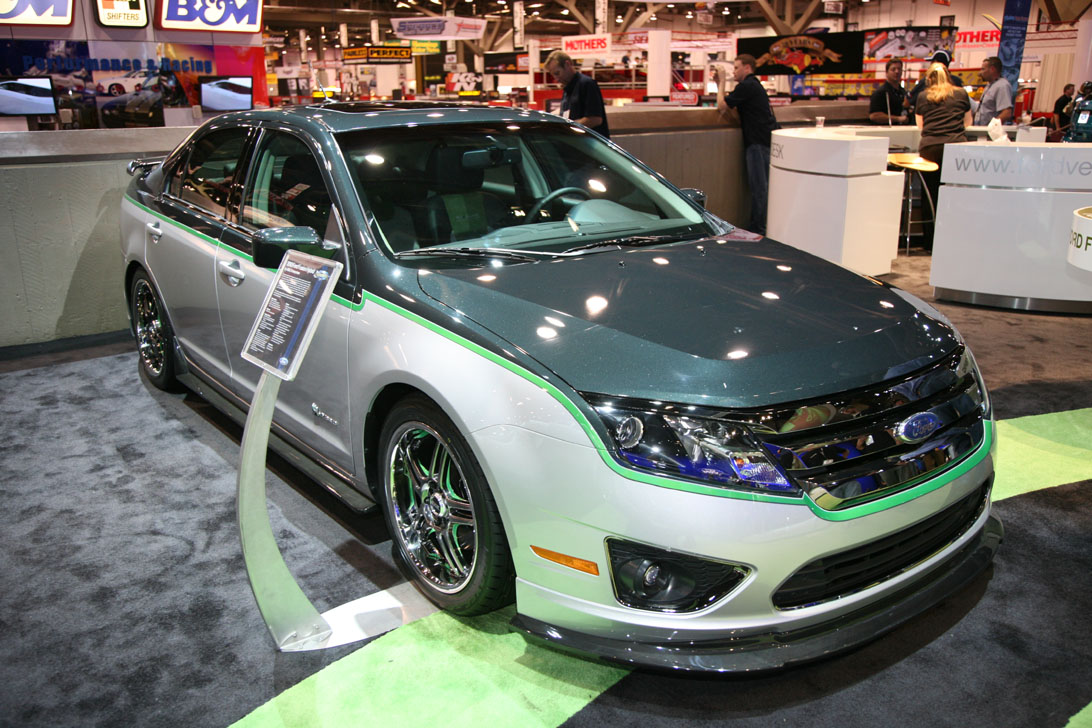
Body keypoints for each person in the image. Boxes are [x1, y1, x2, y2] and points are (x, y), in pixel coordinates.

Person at [713, 55, 780, 236]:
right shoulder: (755, 86)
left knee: (760, 190)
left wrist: (721, 84)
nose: (734, 71)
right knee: (764, 189)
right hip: (765, 142)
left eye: (736, 68)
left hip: (757, 144)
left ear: (747, 68)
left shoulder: (747, 86)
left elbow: (722, 105)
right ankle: (763, 228)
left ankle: (759, 230)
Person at [915, 62, 972, 251]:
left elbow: (921, 126)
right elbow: (968, 122)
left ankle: (930, 243)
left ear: (929, 79)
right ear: (948, 76)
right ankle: (952, 239)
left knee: (930, 196)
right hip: (956, 149)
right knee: (954, 195)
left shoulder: (923, 96)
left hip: (930, 149)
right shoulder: (961, 94)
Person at [543, 50, 610, 138]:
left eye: (557, 73)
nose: (556, 79)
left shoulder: (587, 84)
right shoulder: (567, 90)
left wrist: (566, 128)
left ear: (567, 64)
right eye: (553, 75)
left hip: (592, 146)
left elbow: (595, 119)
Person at [908, 50, 961, 125]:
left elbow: (909, 101)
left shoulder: (926, 81)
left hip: (928, 126)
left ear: (935, 64)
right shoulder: (957, 82)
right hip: (950, 126)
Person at [974, 56, 1013, 126]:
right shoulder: (990, 85)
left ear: (992, 69)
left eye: (983, 69)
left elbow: (1006, 113)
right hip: (982, 130)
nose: (980, 73)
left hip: (990, 133)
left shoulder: (1002, 86)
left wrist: (991, 127)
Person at [869, 58, 908, 125]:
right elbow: (874, 116)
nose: (897, 71)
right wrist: (898, 118)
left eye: (899, 69)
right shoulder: (880, 93)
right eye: (893, 69)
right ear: (886, 72)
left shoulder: (903, 91)